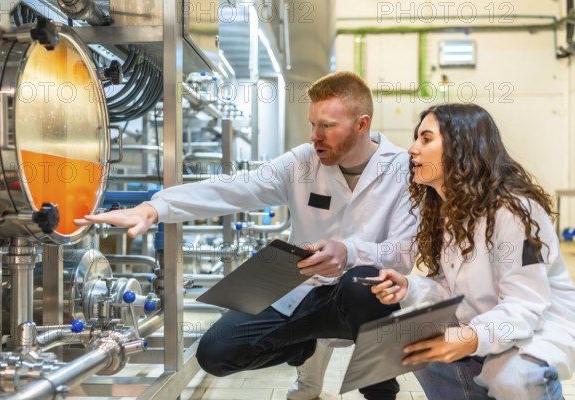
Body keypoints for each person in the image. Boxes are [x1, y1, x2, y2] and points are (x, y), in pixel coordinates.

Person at [75, 71, 417, 400]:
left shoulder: (402, 169)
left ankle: (381, 393)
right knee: (216, 353)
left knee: (364, 283)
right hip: (299, 281)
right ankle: (302, 346)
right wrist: (156, 207)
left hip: (359, 296)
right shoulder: (302, 162)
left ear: (362, 125)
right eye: (313, 124)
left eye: (327, 126)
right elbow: (236, 188)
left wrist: (349, 251)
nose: (314, 136)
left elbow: (402, 254)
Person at [369, 103, 575, 399]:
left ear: (460, 147)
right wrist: (409, 287)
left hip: (535, 327)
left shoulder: (514, 210)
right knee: (416, 344)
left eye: (426, 139)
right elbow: (451, 287)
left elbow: (526, 305)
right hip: (488, 319)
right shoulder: (447, 211)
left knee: (512, 378)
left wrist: (472, 336)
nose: (412, 149)